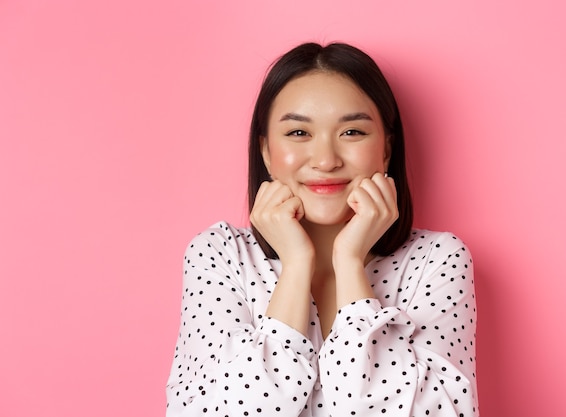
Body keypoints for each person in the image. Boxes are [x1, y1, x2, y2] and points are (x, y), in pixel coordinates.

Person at [166, 42, 479, 416]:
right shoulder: (219, 255)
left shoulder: (437, 260)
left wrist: (349, 262)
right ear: (266, 151)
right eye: (299, 133)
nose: (326, 160)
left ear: (386, 150)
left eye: (352, 133)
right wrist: (296, 265)